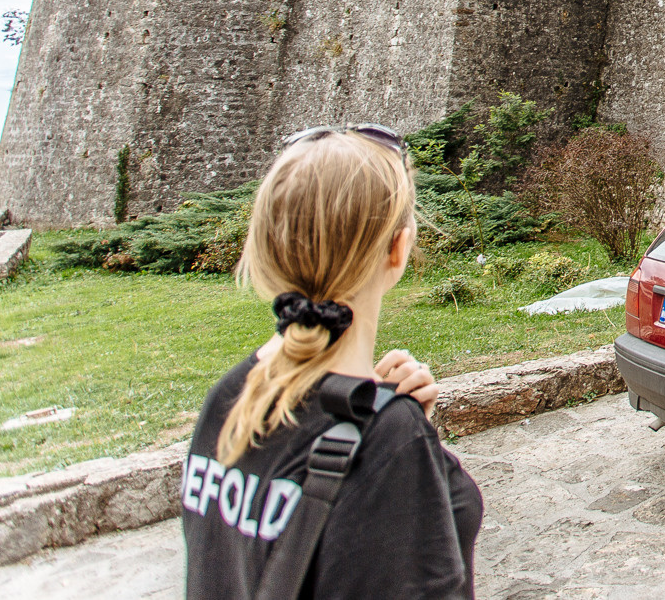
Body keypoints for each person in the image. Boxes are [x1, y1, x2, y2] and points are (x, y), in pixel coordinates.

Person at [182, 125, 482, 599]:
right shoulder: (387, 442)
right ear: (398, 248)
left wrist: (400, 425)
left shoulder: (232, 395)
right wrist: (394, 434)